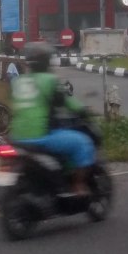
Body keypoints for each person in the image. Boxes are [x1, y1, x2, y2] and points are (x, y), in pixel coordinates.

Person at [10, 42, 95, 196]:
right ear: (47, 62)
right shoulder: (49, 80)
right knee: (82, 142)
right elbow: (67, 103)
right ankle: (78, 185)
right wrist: (83, 110)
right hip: (40, 137)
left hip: (17, 137)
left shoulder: (18, 81)